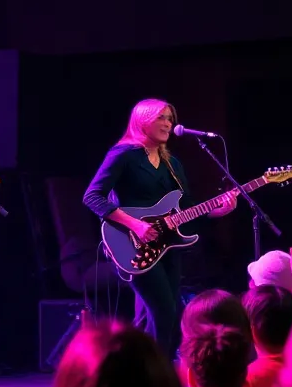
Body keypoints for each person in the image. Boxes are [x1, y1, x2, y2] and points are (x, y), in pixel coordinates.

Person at [82, 99, 236, 358]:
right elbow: (92, 196)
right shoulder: (123, 155)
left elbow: (186, 208)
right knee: (167, 315)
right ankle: (157, 376)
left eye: (170, 118)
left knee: (156, 319)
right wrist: (136, 225)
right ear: (143, 121)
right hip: (132, 242)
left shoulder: (172, 164)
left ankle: (135, 372)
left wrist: (215, 211)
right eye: (161, 118)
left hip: (166, 248)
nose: (168, 123)